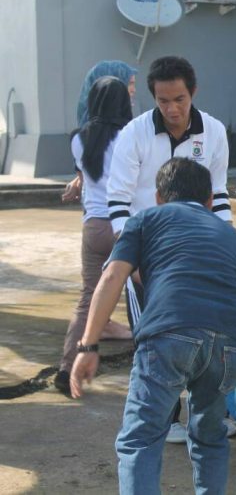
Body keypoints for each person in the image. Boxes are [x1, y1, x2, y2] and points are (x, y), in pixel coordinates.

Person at [70, 157, 236, 495]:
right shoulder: (233, 237)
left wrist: (88, 346)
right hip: (230, 347)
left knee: (141, 439)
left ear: (159, 197)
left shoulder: (145, 219)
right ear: (210, 201)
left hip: (169, 335)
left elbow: (112, 275)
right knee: (210, 437)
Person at [107, 55, 234, 443]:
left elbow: (221, 196)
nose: (172, 109)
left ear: (193, 93)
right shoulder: (134, 133)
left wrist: (225, 247)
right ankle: (164, 422)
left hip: (199, 253)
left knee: (207, 334)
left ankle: (207, 418)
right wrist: (134, 263)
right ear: (153, 98)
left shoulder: (213, 132)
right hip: (148, 254)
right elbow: (117, 203)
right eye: (163, 101)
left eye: (179, 99)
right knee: (153, 339)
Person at [53, 77, 134, 395]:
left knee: (88, 297)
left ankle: (65, 368)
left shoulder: (78, 138)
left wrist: (77, 185)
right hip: (125, 225)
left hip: (94, 225)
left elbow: (85, 173)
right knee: (140, 295)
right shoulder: (130, 137)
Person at [62, 60, 138, 203]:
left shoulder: (81, 134)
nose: (133, 90)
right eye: (130, 83)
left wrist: (79, 180)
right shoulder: (128, 133)